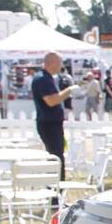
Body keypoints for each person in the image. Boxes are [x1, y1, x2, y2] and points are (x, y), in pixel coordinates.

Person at [31, 52, 79, 183]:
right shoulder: (42, 79)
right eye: (59, 63)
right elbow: (52, 101)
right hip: (49, 124)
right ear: (51, 63)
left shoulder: (48, 78)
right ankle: (55, 191)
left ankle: (57, 189)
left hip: (53, 123)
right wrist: (69, 91)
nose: (61, 66)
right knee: (55, 157)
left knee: (58, 155)